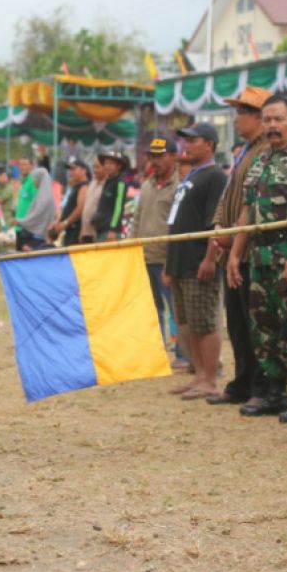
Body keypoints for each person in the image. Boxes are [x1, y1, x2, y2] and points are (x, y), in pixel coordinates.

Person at [227, 96, 287, 421]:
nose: (272, 126)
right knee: (264, 327)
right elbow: (247, 211)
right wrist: (235, 254)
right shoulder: (259, 160)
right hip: (260, 256)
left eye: (278, 119)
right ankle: (275, 392)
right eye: (267, 120)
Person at [206, 86, 271, 408]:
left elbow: (253, 201)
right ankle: (242, 381)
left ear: (258, 117)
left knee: (253, 322)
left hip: (250, 250)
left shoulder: (264, 152)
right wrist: (219, 226)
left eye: (241, 113)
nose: (236, 119)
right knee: (236, 322)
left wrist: (234, 238)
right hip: (232, 246)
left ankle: (260, 385)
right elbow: (227, 197)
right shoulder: (243, 152)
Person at [165, 122, 227, 400]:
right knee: (187, 323)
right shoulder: (191, 176)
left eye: (194, 140)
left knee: (204, 322)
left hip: (198, 260)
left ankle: (211, 379)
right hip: (180, 261)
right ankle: (199, 374)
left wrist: (210, 258)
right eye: (185, 140)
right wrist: (169, 263)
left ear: (210, 144)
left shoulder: (215, 176)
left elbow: (216, 222)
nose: (187, 145)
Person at [132, 136, 181, 361]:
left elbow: (178, 226)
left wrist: (172, 261)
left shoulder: (179, 185)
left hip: (166, 258)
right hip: (144, 256)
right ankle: (156, 351)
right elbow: (137, 219)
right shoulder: (146, 185)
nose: (155, 160)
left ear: (173, 156)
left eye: (160, 156)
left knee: (176, 309)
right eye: (152, 156)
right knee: (152, 309)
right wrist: (131, 248)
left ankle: (182, 355)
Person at [50, 157, 91, 247]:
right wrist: (58, 222)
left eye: (74, 169)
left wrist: (65, 223)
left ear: (84, 171)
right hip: (69, 231)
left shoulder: (84, 186)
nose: (71, 172)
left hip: (76, 231)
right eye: (70, 170)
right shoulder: (75, 187)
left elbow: (80, 209)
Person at [16, 163, 56, 251]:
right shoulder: (46, 195)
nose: (33, 181)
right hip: (42, 234)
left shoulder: (43, 197)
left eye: (35, 179)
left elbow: (37, 214)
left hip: (36, 236)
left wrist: (22, 221)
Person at [91, 151, 129, 241]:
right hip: (101, 230)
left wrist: (113, 229)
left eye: (111, 163)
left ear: (119, 166)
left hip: (110, 233)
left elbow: (118, 208)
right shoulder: (108, 181)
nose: (107, 166)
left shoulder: (120, 183)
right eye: (106, 163)